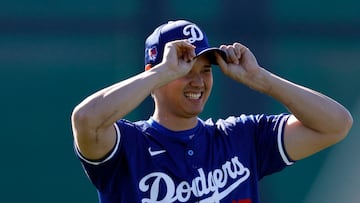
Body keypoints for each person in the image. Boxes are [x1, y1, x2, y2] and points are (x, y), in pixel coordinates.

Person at [71, 19, 353, 203]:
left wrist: (263, 80)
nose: (198, 80)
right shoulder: (129, 145)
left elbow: (335, 124)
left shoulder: (242, 137)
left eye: (205, 69)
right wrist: (162, 72)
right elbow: (86, 120)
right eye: (184, 69)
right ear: (155, 73)